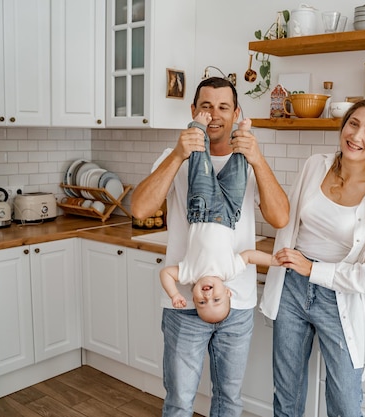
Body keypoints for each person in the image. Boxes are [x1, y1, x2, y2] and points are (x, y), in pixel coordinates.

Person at [260, 98, 365, 417]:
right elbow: (289, 221)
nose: (356, 136)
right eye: (353, 124)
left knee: (344, 402)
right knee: (286, 394)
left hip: (341, 300)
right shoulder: (315, 165)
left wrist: (313, 269)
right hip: (292, 289)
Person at [131, 76, 289, 417]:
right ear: (193, 111)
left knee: (229, 400)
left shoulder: (249, 160)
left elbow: (280, 218)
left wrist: (259, 160)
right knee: (179, 400)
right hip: (185, 304)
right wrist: (178, 154)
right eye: (206, 106)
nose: (214, 115)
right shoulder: (172, 156)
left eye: (223, 107)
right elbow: (141, 209)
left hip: (237, 303)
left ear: (236, 113)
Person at [159, 111, 279, 324]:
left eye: (202, 302)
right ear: (228, 292)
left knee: (199, 163)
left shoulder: (189, 274)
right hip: (231, 212)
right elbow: (250, 256)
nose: (207, 296)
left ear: (193, 298)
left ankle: (198, 127)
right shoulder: (229, 272)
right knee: (239, 169)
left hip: (201, 208)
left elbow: (166, 274)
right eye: (216, 299)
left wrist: (175, 294)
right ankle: (243, 133)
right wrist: (272, 261)